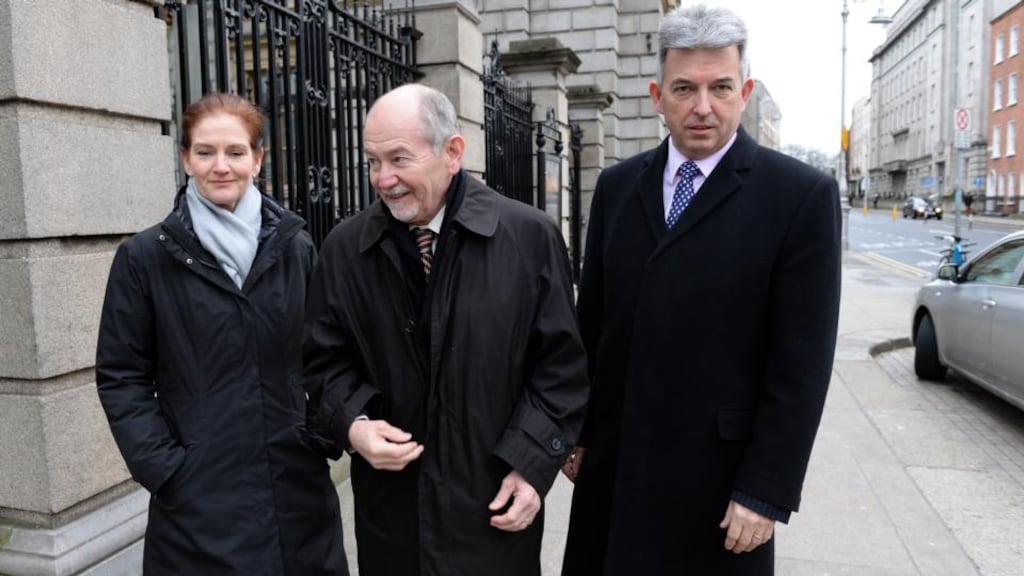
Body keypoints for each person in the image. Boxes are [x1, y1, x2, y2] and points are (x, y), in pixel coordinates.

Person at [561, 5, 842, 575]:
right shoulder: (616, 187)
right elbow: (592, 325)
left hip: (720, 489)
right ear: (657, 94)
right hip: (616, 473)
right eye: (685, 88)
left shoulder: (799, 197)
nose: (703, 107)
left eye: (720, 87)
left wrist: (766, 490)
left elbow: (802, 364)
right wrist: (579, 430)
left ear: (746, 90)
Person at [301, 83, 589, 576]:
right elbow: (322, 362)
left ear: (452, 152)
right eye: (373, 161)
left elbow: (560, 372)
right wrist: (355, 425)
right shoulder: (344, 248)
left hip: (493, 512)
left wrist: (531, 465)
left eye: (398, 159)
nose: (383, 178)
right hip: (392, 522)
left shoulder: (530, 238)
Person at [95, 93, 348, 575]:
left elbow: (325, 354)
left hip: (297, 489)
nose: (221, 166)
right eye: (205, 152)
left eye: (235, 152)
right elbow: (121, 375)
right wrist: (167, 470)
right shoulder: (145, 258)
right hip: (198, 497)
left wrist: (319, 435)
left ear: (257, 160)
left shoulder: (295, 246)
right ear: (186, 158)